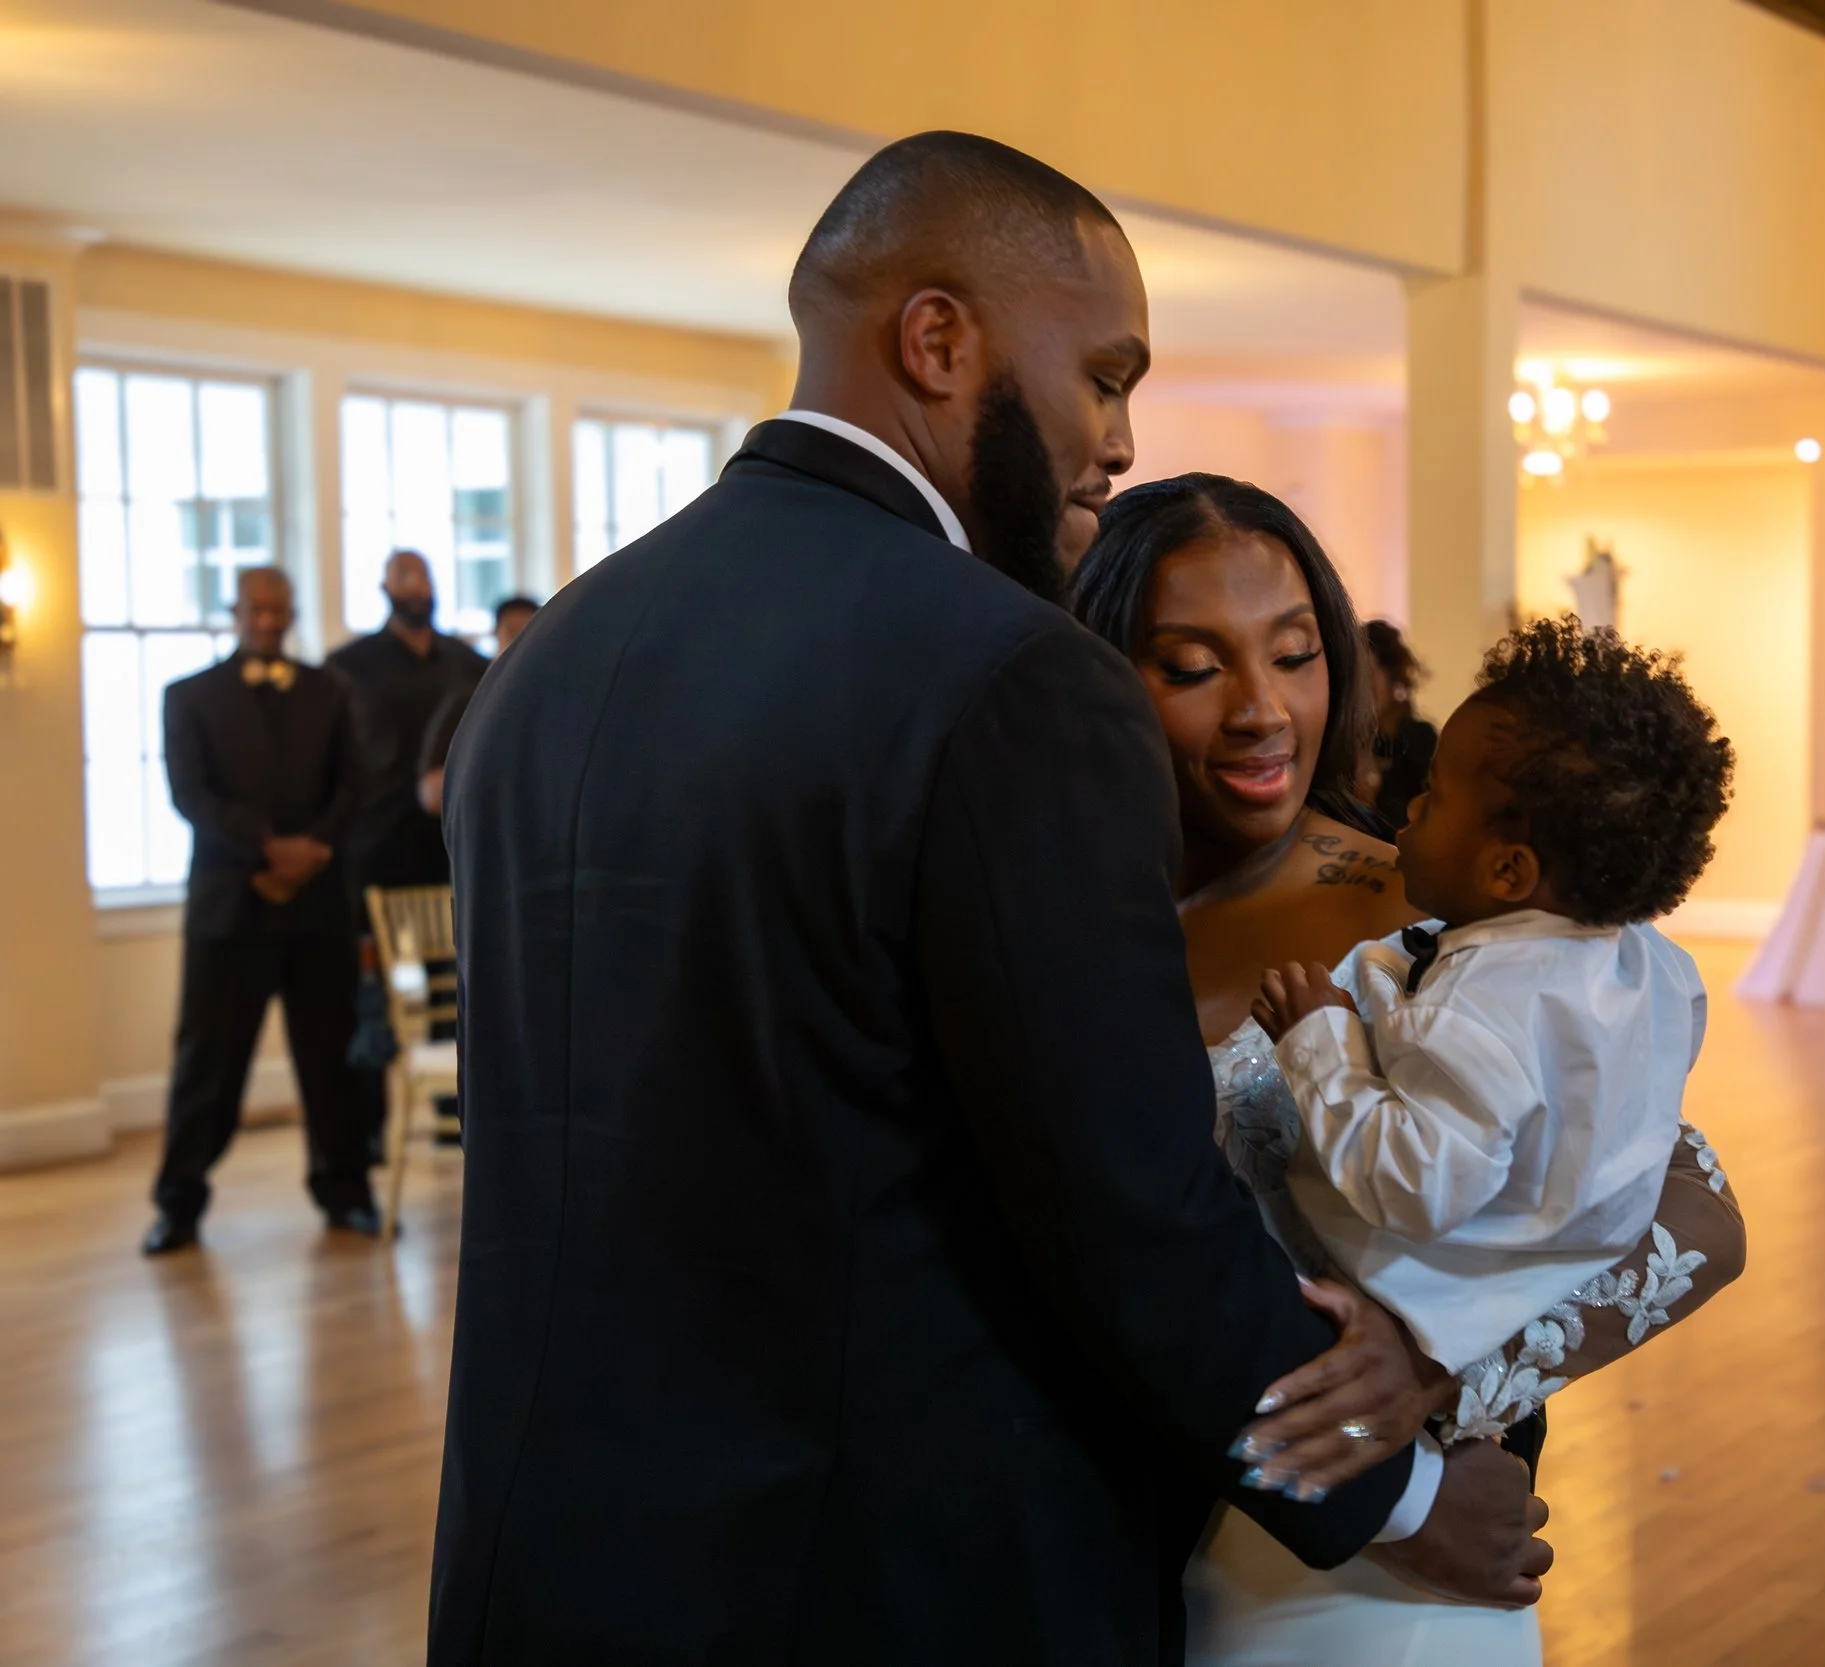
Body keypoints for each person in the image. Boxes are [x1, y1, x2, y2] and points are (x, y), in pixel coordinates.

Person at [428, 133, 1543, 1667]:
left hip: (551, 1562)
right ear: (938, 339)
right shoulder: (1014, 675)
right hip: (883, 1574)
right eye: (1103, 374)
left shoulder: (548, 661)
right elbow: (1122, 1206)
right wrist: (1401, 1490)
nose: (1119, 438)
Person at [1071, 476, 1747, 1665]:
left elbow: (1693, 1207)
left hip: (1365, 1557)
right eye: (1191, 666)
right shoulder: (1043, 918)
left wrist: (1435, 1356)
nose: (1262, 711)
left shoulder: (1452, 914)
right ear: (1093, 673)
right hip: (1095, 1527)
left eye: (1294, 654)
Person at [1254, 615, 1733, 1401]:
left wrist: (1323, 1037)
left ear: (1509, 869)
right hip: (1543, 1277)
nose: (1408, 807)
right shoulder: (1650, 959)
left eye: (1433, 798)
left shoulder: (1478, 1011)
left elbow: (1411, 1186)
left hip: (1410, 1293)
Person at [145, 567, 377, 1255]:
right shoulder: (188, 696)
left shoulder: (331, 692)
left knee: (334, 1060)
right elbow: (190, 793)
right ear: (236, 611)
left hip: (318, 910)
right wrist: (265, 852)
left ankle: (348, 1192)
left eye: (280, 608)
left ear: (293, 610)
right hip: (228, 910)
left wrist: (311, 852)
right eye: (257, 608)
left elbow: (354, 784)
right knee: (207, 1063)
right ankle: (178, 1205)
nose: (269, 620)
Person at [325, 549, 489, 891]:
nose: (415, 588)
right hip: (379, 837)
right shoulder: (348, 667)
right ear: (384, 588)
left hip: (456, 837)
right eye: (403, 577)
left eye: (422, 577)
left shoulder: (470, 664)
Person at [416, 594, 537, 817]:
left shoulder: (552, 702)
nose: (520, 646)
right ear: (496, 634)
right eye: (512, 634)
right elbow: (430, 792)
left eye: (528, 635)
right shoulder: (466, 702)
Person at [1361, 618, 1437, 829]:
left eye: (1368, 676)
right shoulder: (1347, 741)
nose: (1361, 688)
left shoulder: (1419, 738)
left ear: (1390, 676)